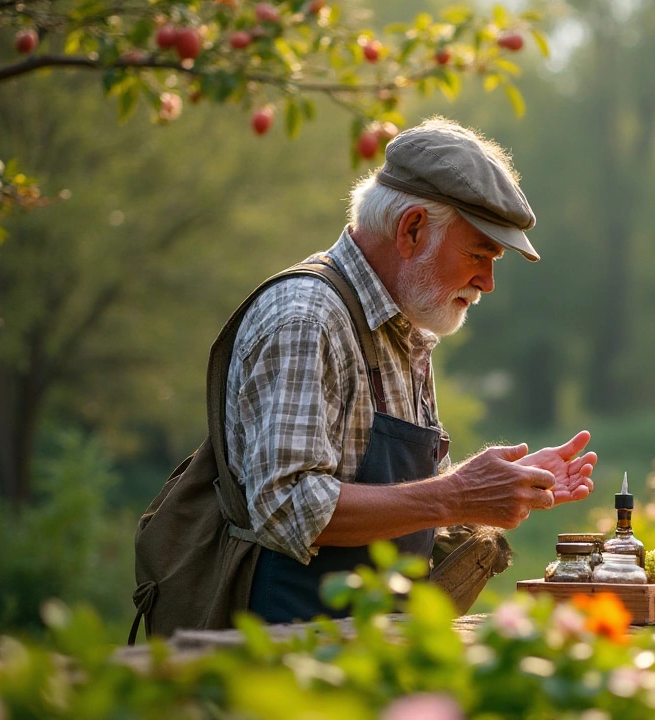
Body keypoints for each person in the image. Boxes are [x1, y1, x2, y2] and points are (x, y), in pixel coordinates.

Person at [225, 118, 598, 623]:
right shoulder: (307, 318)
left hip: (374, 646)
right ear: (412, 229)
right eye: (477, 254)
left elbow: (403, 507)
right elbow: (286, 507)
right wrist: (457, 494)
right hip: (288, 658)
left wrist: (500, 489)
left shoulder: (405, 326)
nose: (487, 282)